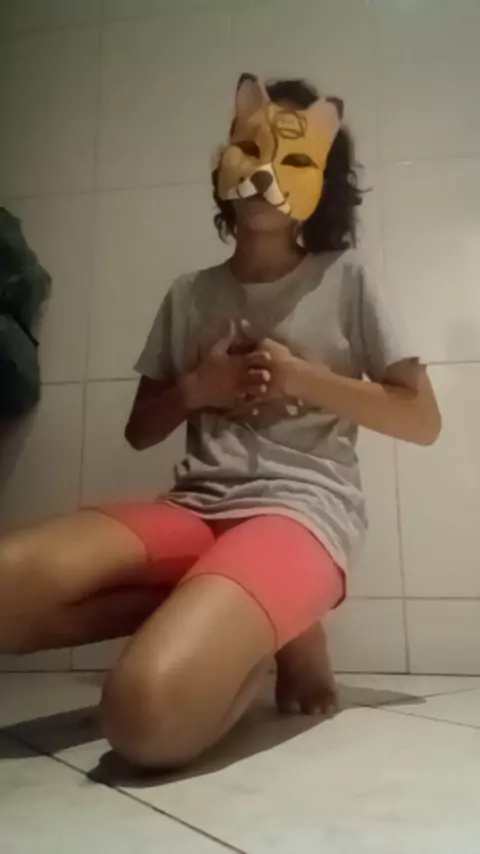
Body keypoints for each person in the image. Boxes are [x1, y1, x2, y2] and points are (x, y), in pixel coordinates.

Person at [0, 75, 441, 770]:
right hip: (194, 510)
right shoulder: (189, 295)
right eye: (252, 148)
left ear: (323, 183)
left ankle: (278, 629)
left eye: (294, 159)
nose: (266, 172)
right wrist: (197, 389)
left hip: (303, 513)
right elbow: (140, 430)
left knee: (143, 717)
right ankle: (246, 616)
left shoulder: (347, 278)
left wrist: (303, 379)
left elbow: (422, 420)